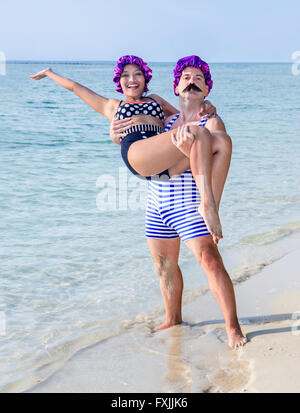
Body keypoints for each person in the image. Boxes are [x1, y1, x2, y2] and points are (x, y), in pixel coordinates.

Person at [111, 56, 247, 349]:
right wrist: (115, 135)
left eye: (198, 78)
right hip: (158, 202)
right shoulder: (166, 121)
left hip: (189, 204)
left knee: (209, 261)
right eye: (185, 77)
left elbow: (220, 146)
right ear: (176, 88)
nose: (191, 81)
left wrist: (212, 201)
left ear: (207, 90)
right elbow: (141, 142)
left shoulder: (210, 120)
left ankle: (232, 327)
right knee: (164, 266)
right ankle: (173, 318)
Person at [29, 55, 222, 243]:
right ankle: (207, 206)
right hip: (137, 155)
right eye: (125, 75)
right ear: (118, 81)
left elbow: (186, 112)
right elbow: (75, 87)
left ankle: (206, 207)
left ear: (145, 78)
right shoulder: (113, 106)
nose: (132, 79)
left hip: (161, 168)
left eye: (137, 74)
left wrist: (207, 104)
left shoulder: (155, 101)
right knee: (200, 135)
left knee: (218, 144)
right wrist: (49, 73)